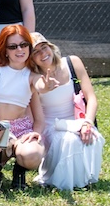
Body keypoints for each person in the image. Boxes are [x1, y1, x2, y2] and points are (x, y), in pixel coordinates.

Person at [0, 25, 47, 194]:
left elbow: (41, 91)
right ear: (4, 50)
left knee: (33, 155)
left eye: (24, 45)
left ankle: (19, 172)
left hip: (21, 128)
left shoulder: (32, 74)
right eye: (13, 46)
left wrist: (36, 133)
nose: (19, 50)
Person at [29, 33, 103, 190]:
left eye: (44, 47)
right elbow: (37, 115)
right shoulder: (33, 78)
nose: (43, 54)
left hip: (78, 120)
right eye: (36, 52)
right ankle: (61, 182)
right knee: (68, 140)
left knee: (91, 138)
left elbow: (92, 99)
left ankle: (82, 179)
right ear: (31, 58)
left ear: (50, 47)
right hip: (51, 127)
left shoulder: (72, 62)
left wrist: (87, 123)